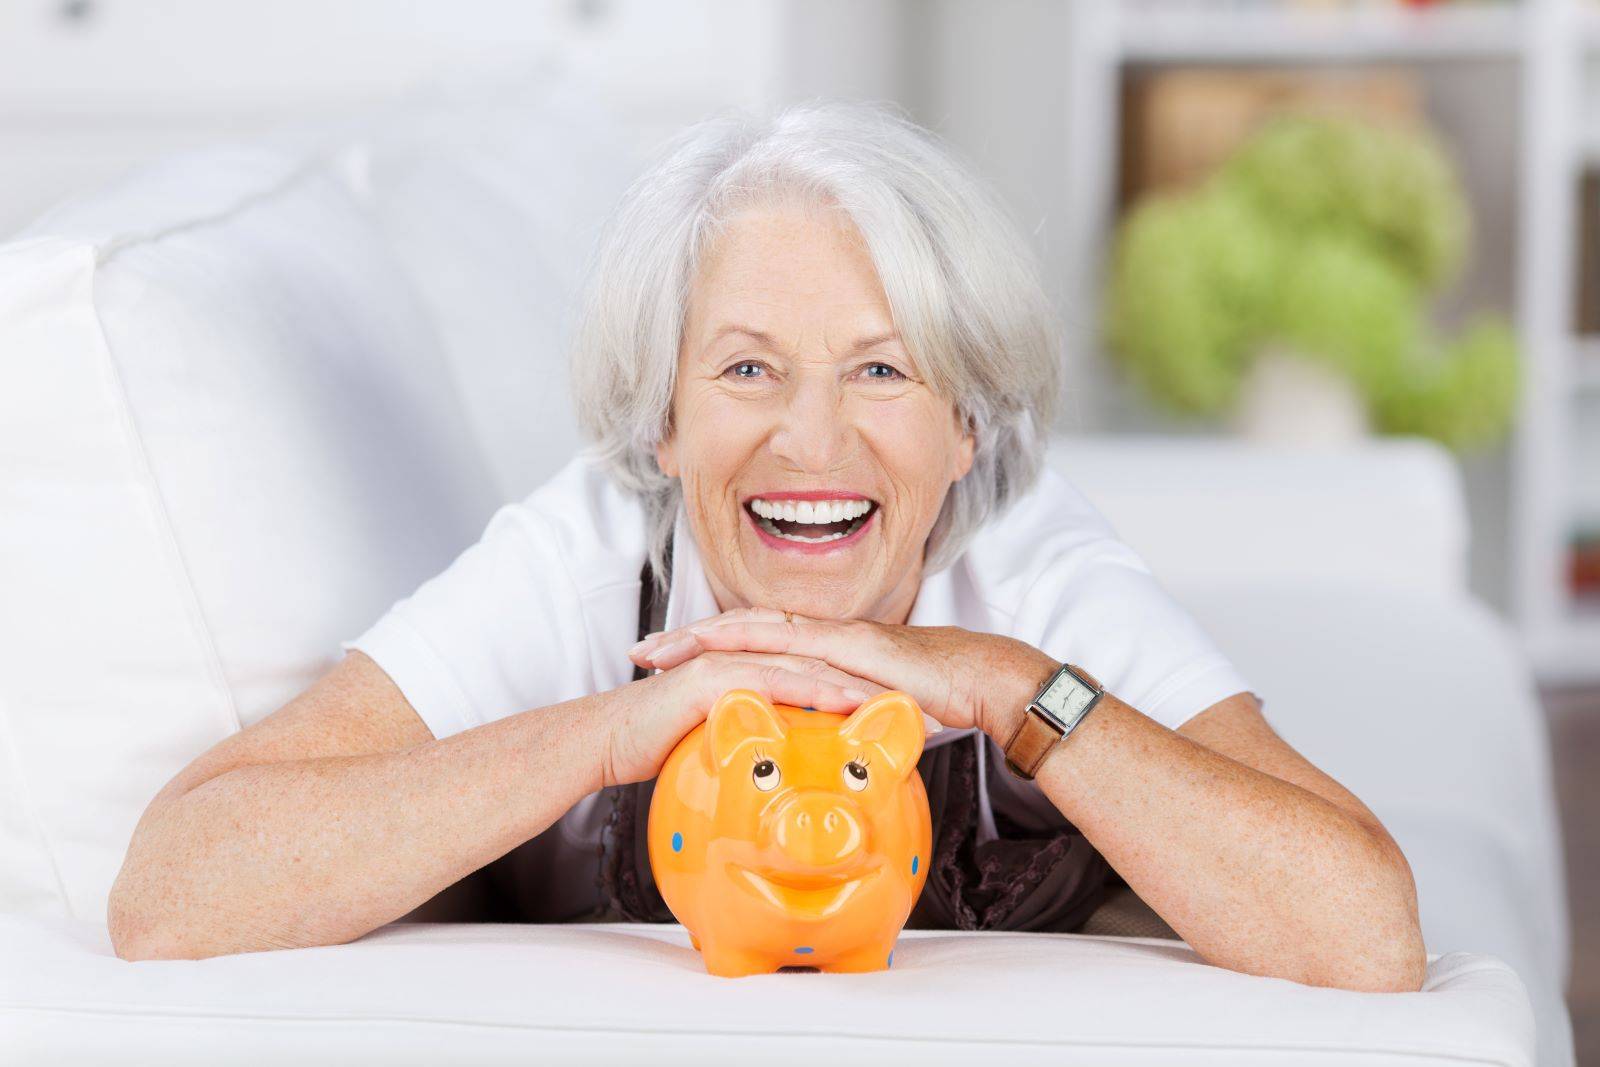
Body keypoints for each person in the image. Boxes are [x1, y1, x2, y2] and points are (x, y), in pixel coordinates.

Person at [107, 100, 1425, 991]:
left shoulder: (1033, 564)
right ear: (663, 422)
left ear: (965, 426)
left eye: (880, 372)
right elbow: (172, 892)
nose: (812, 443)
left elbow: (1366, 932)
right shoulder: (580, 555)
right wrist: (614, 731)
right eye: (747, 368)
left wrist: (1020, 693)